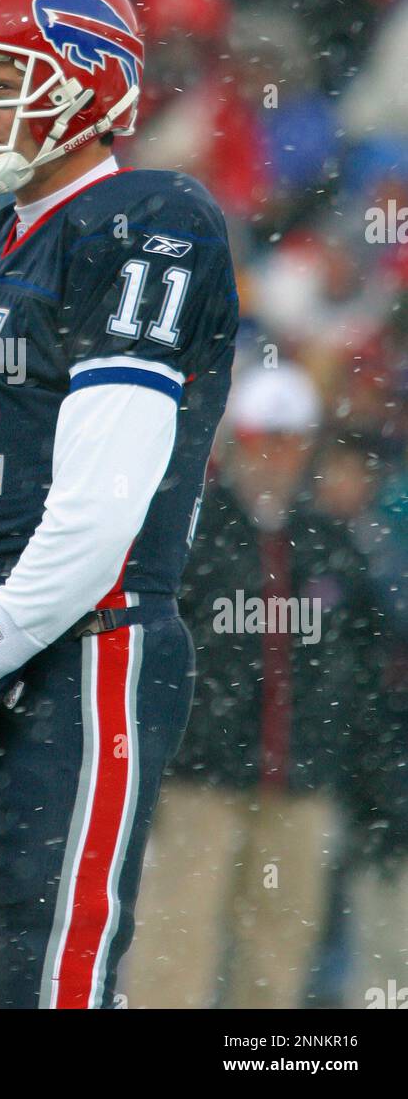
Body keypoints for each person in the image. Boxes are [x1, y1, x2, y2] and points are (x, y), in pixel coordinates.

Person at [0, 0, 238, 1009]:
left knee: (51, 975)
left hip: (87, 646)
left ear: (83, 86)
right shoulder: (5, 234)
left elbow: (99, 514)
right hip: (5, 638)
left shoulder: (148, 220)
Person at [124, 363, 385, 1009]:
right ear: (235, 442)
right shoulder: (192, 531)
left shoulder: (328, 542)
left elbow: (358, 658)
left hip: (297, 783)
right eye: (262, 438)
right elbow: (154, 649)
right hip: (199, 782)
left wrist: (335, 752)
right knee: (175, 941)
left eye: (290, 439)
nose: (276, 455)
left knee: (279, 953)